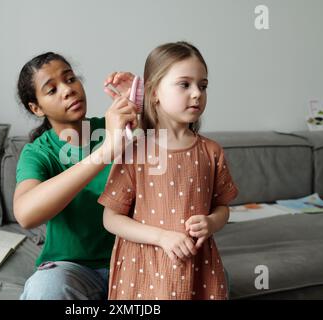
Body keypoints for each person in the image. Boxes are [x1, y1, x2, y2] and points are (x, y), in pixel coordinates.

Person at [98, 41, 239, 300]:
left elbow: (223, 208)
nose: (197, 93)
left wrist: (211, 222)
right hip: (144, 271)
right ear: (154, 93)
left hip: (199, 270)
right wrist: (162, 237)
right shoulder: (135, 151)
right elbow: (111, 219)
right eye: (184, 84)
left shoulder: (212, 151)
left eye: (203, 85)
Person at [14, 52, 139, 299]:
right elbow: (26, 214)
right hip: (74, 271)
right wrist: (105, 152)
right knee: (45, 289)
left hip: (135, 263)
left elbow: (180, 140)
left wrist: (145, 99)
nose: (68, 90)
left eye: (70, 79)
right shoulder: (39, 152)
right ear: (36, 108)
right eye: (51, 90)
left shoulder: (115, 126)